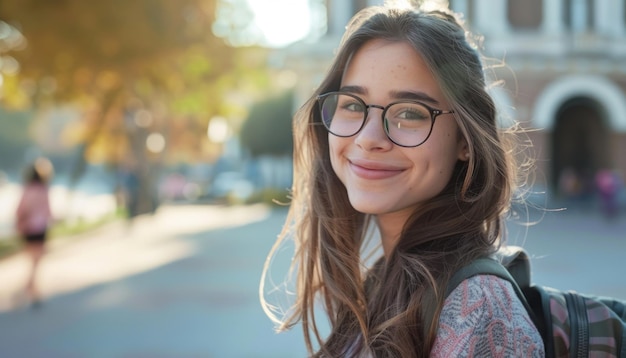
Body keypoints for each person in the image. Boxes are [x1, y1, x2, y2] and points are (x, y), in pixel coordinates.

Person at [260, 3, 544, 357]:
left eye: (410, 112)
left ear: (465, 141)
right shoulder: (387, 280)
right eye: (352, 104)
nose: (368, 137)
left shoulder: (476, 310)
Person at [15, 157, 54, 307]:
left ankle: (32, 291)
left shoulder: (26, 189)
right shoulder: (43, 190)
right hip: (40, 229)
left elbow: (19, 210)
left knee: (33, 261)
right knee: (36, 263)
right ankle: (29, 288)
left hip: (27, 229)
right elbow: (48, 211)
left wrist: (19, 225)